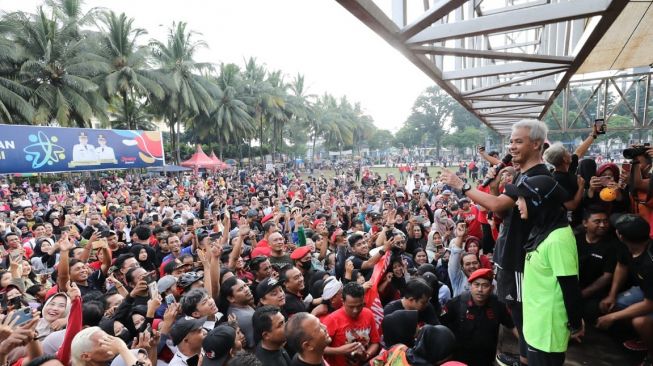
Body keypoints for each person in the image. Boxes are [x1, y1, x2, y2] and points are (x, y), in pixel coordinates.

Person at [442, 119, 552, 366]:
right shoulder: (523, 175)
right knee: (517, 314)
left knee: (524, 320)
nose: (511, 147)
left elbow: (498, 205)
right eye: (511, 141)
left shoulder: (537, 177)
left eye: (518, 141)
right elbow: (501, 213)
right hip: (510, 260)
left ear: (536, 144)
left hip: (521, 263)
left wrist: (462, 185)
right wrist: (493, 185)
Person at [506, 175, 583, 366]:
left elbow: (570, 287)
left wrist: (575, 324)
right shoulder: (542, 229)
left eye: (522, 198)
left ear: (537, 202)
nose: (517, 204)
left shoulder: (558, 240)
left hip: (547, 331)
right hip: (536, 323)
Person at [596, 214, 653, 366]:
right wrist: (611, 295)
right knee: (615, 304)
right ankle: (645, 336)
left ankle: (651, 353)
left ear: (620, 235)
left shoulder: (650, 263)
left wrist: (612, 317)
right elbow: (622, 266)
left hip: (650, 298)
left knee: (640, 322)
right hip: (645, 290)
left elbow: (649, 304)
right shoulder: (626, 246)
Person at [442, 268, 515, 366]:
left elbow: (512, 326)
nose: (480, 290)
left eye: (485, 285)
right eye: (476, 285)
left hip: (486, 360)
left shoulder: (498, 305)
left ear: (492, 288)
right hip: (460, 360)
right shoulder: (456, 304)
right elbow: (441, 326)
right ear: (470, 286)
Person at [322, 282, 380, 366]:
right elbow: (319, 349)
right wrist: (340, 350)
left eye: (359, 306)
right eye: (351, 306)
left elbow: (375, 342)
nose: (355, 310)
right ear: (343, 301)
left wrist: (367, 355)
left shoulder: (368, 314)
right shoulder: (332, 320)